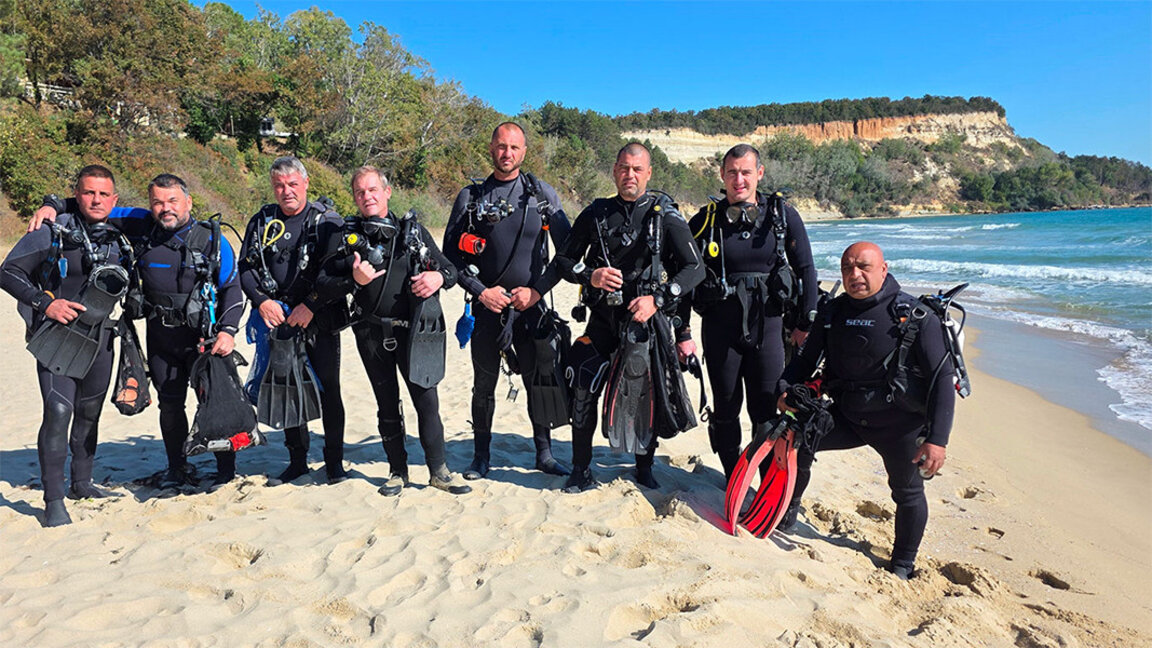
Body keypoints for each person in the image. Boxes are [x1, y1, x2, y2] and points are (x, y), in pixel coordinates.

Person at [28, 175, 250, 489]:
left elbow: (232, 287)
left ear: (188, 202)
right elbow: (95, 204)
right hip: (160, 336)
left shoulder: (212, 239)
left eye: (173, 201)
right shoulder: (142, 225)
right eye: (158, 202)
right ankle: (177, 467)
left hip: (204, 337)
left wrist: (227, 331)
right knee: (170, 405)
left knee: (215, 401)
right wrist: (51, 205)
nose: (165, 208)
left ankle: (226, 471)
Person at [776, 241, 956, 580]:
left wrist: (937, 440)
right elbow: (805, 359)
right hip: (848, 414)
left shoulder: (915, 316)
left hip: (898, 424)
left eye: (864, 267)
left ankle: (902, 563)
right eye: (847, 268)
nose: (854, 274)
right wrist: (784, 387)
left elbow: (942, 380)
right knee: (795, 441)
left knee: (907, 492)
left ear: (883, 270)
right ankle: (788, 513)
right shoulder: (833, 313)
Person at [537, 142, 704, 492]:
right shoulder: (597, 213)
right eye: (624, 168)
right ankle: (581, 469)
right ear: (614, 171)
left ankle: (644, 466)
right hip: (603, 318)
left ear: (648, 173)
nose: (630, 175)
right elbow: (564, 261)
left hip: (646, 320)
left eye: (637, 169)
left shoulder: (664, 214)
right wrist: (590, 275)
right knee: (583, 385)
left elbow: (694, 268)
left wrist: (658, 299)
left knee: (646, 392)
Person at [315, 166, 470, 496]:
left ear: (387, 192)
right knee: (387, 404)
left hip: (415, 334)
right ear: (354, 198)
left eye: (373, 190)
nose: (367, 197)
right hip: (370, 334)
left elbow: (450, 269)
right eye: (360, 192)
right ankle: (397, 471)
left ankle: (438, 470)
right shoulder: (346, 238)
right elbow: (323, 285)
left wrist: (438, 279)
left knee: (427, 402)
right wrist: (352, 281)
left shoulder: (412, 233)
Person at [1, 165, 135, 526]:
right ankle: (53, 499)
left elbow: (165, 213)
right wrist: (46, 303)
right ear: (77, 194)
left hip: (101, 339)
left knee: (90, 412)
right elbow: (7, 272)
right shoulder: (53, 230)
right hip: (57, 338)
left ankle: (82, 481)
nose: (96, 200)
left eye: (103, 194)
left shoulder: (120, 233)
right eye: (88, 193)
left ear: (114, 199)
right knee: (59, 412)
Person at [441, 122, 573, 480]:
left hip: (530, 306)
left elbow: (567, 255)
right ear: (491, 148)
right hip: (487, 306)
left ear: (524, 151)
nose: (507, 153)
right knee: (483, 384)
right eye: (501, 146)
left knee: (537, 380)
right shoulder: (471, 198)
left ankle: (543, 453)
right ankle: (480, 457)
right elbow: (449, 256)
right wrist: (480, 289)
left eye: (514, 147)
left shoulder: (542, 196)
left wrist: (537, 291)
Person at [681, 144, 818, 481]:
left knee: (766, 411)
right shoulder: (705, 221)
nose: (738, 179)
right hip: (719, 331)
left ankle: (767, 480)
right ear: (722, 176)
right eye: (731, 172)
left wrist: (805, 322)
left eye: (745, 172)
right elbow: (685, 274)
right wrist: (682, 333)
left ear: (759, 173)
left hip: (769, 331)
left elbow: (807, 269)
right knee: (725, 411)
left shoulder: (782, 215)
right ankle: (733, 477)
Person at [238, 156, 347, 485]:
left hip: (319, 319)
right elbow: (246, 269)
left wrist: (311, 305)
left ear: (306, 183)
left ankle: (334, 464)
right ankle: (297, 461)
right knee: (286, 388)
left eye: (292, 185)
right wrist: (262, 302)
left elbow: (338, 274)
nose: (286, 192)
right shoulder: (262, 222)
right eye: (279, 186)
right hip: (278, 321)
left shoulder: (326, 221)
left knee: (329, 390)